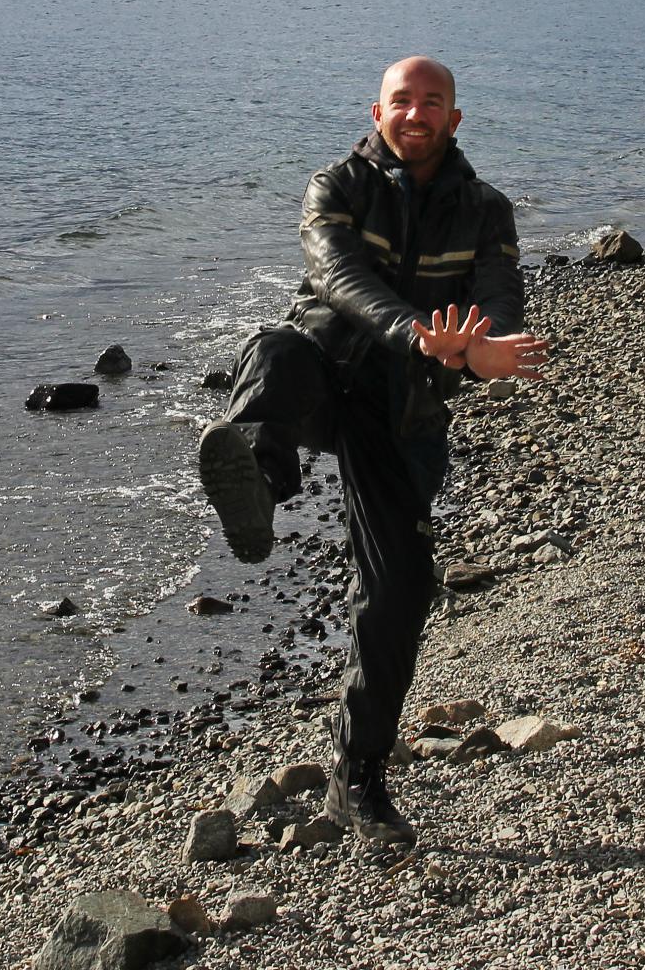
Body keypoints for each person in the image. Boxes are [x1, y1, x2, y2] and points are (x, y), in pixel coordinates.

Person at [196, 55, 550, 847]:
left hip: (406, 411)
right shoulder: (337, 187)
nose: (416, 114)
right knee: (275, 348)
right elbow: (338, 277)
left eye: (432, 103)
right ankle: (258, 473)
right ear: (378, 111)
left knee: (403, 588)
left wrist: (486, 345)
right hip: (327, 373)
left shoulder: (486, 209)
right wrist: (423, 337)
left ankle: (355, 780)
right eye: (402, 101)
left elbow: (499, 298)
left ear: (454, 120)